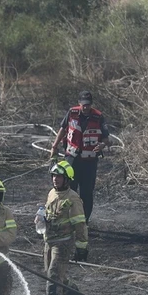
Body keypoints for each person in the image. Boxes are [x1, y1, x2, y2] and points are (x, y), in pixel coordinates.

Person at [50, 90, 110, 223]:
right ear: (79, 103)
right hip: (71, 159)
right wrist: (54, 146)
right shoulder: (72, 113)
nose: (86, 107)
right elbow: (62, 129)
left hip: (89, 162)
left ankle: (84, 221)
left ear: (91, 104)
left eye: (88, 105)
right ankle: (67, 219)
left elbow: (106, 139)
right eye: (83, 104)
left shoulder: (98, 117)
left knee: (86, 192)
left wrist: (102, 145)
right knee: (68, 189)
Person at [40, 161, 88, 295]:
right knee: (51, 273)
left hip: (63, 243)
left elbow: (80, 224)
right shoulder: (51, 194)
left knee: (53, 275)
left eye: (59, 176)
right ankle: (73, 293)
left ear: (67, 179)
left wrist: (82, 247)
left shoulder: (73, 198)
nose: (55, 179)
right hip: (49, 241)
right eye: (54, 176)